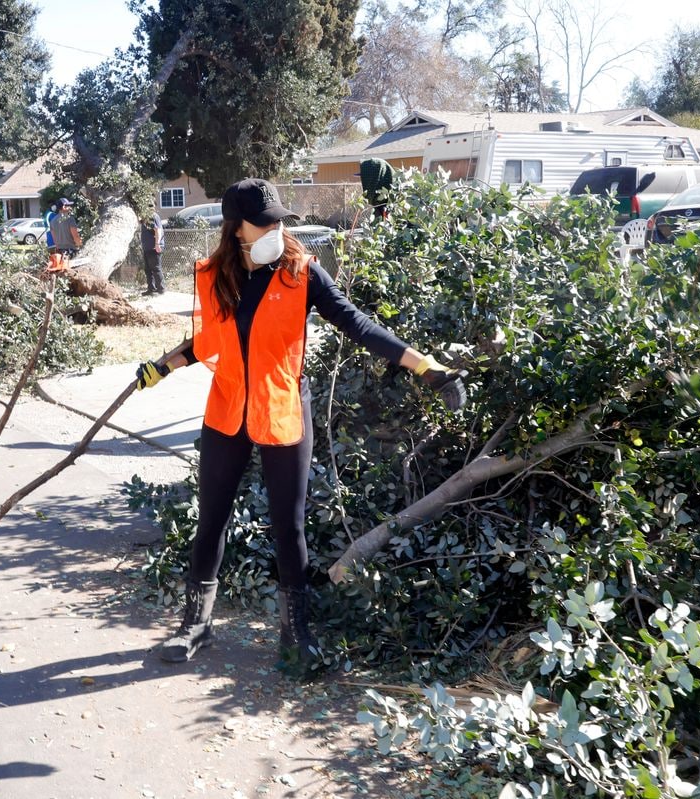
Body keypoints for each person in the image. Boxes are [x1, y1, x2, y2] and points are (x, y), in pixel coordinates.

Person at [134, 178, 466, 669]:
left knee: (289, 527)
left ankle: (297, 634)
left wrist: (424, 366)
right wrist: (162, 366)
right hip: (227, 411)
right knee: (212, 519)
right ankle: (195, 626)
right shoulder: (211, 274)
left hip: (284, 409)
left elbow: (357, 324)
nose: (276, 228)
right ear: (237, 227)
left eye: (279, 219)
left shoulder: (301, 273)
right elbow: (206, 343)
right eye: (264, 221)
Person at [140, 207, 166, 294]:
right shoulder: (145, 217)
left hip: (154, 247)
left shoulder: (152, 216)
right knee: (148, 269)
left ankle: (161, 289)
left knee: (156, 268)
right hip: (147, 247)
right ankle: (151, 289)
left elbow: (157, 230)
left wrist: (157, 244)